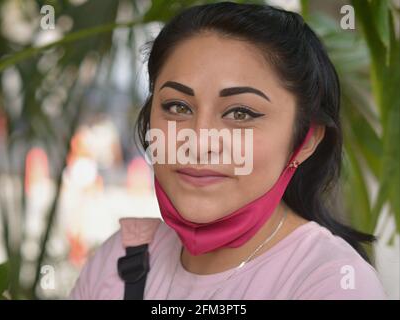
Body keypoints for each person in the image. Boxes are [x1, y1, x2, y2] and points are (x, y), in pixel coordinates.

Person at [69, 2, 386, 300]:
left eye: (241, 113)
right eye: (177, 106)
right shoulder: (117, 262)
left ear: (306, 140)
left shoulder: (331, 282)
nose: (199, 142)